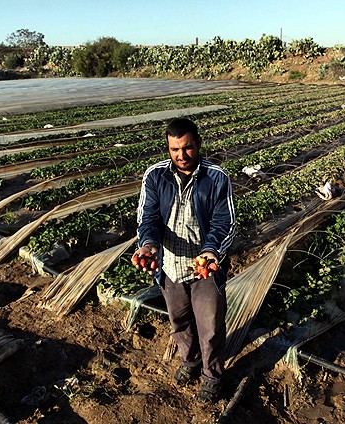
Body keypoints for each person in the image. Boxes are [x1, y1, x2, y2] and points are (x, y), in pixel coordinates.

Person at [133, 117, 236, 403]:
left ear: (198, 144)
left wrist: (211, 250)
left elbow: (223, 222)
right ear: (167, 148)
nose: (181, 155)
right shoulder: (155, 176)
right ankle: (189, 362)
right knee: (179, 322)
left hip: (205, 268)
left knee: (210, 327)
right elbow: (148, 217)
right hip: (169, 265)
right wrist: (149, 245)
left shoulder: (216, 178)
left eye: (187, 148)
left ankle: (212, 375)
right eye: (174, 149)